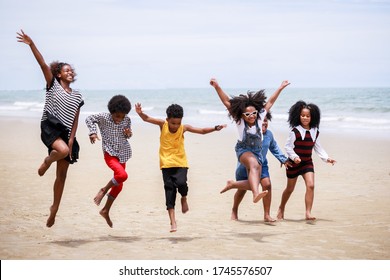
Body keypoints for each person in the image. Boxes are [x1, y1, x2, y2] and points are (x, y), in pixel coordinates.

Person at [16, 30, 84, 227]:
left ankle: (54, 209)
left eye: (72, 70)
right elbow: (42, 63)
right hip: (49, 126)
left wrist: (72, 139)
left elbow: (75, 119)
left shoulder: (78, 95)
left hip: (65, 133)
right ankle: (47, 161)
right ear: (58, 74)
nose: (70, 72)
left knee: (62, 176)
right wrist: (31, 44)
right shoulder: (52, 84)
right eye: (66, 70)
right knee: (61, 151)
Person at [135, 102, 226, 232]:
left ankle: (184, 198)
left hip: (180, 162)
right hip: (166, 164)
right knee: (169, 190)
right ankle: (172, 222)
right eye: (173, 123)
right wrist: (139, 112)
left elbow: (201, 131)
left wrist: (215, 128)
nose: (175, 126)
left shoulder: (184, 128)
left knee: (182, 183)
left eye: (178, 123)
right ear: (167, 120)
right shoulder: (162, 125)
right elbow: (146, 119)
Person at [210, 78, 290, 204]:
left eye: (253, 113)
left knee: (254, 181)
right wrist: (217, 87)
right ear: (242, 115)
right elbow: (226, 102)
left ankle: (233, 184)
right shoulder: (240, 122)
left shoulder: (260, 118)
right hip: (243, 150)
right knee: (253, 165)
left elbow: (270, 102)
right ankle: (256, 194)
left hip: (257, 153)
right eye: (247, 114)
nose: (251, 116)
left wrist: (280, 88)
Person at [222, 112, 291, 222]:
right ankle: (234, 210)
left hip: (262, 164)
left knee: (267, 185)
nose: (264, 123)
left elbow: (274, 148)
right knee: (242, 190)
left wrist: (283, 159)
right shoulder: (248, 133)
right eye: (261, 121)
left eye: (266, 121)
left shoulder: (269, 135)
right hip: (244, 165)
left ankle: (267, 215)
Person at [277, 100, 336, 221]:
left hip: (307, 163)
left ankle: (308, 212)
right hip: (294, 163)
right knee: (290, 189)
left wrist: (327, 158)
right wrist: (294, 157)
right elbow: (288, 147)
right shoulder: (295, 131)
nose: (305, 118)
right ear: (298, 116)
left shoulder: (315, 131)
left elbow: (317, 147)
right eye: (302, 115)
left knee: (311, 185)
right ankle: (281, 208)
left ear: (312, 117)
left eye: (307, 116)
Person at [85, 95, 132, 228]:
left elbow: (128, 135)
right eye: (117, 116)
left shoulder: (127, 119)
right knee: (122, 176)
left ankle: (105, 210)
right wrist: (93, 133)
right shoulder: (103, 117)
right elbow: (89, 119)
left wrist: (128, 133)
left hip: (123, 153)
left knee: (119, 184)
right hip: (110, 153)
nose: (120, 119)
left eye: (122, 117)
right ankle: (103, 190)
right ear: (111, 112)